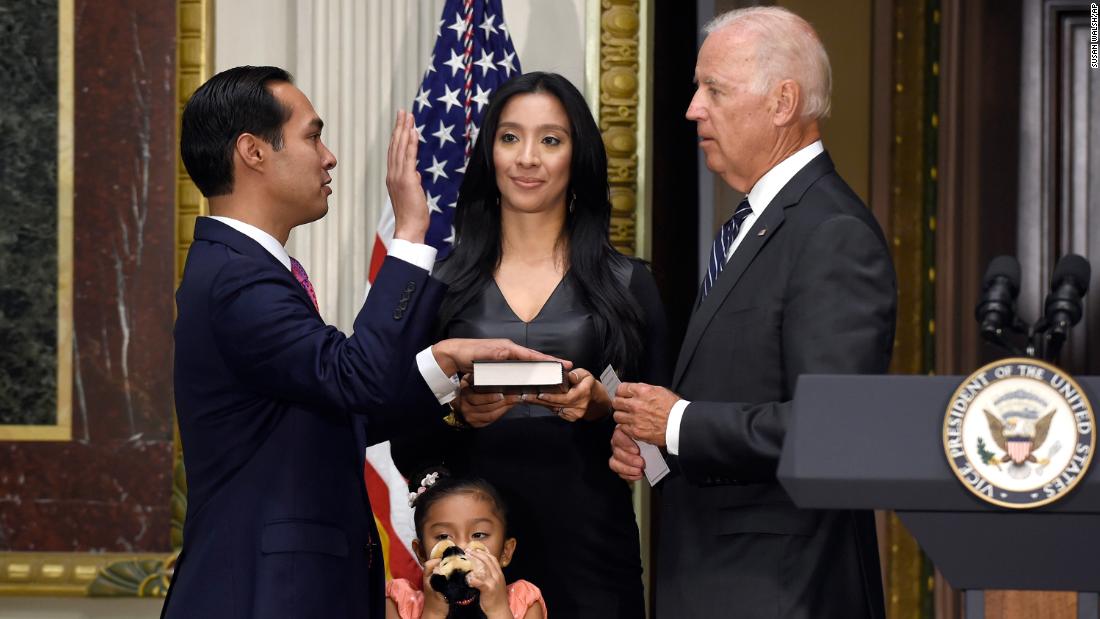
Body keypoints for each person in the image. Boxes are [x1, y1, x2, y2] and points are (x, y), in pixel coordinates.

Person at [164, 65, 555, 619]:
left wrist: (440, 368)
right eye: (311, 135)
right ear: (253, 151)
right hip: (266, 592)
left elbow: (331, 410)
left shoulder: (244, 269)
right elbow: (353, 378)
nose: (329, 156)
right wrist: (411, 234)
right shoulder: (238, 277)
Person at [609, 7, 896, 619]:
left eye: (713, 88)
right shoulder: (760, 217)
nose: (693, 108)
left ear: (782, 102)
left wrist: (679, 424)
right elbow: (737, 390)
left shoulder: (832, 233)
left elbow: (832, 429)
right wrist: (656, 443)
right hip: (723, 579)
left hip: (783, 590)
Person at [392, 72, 668, 618]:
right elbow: (402, 438)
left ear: (577, 157)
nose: (527, 158)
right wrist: (458, 416)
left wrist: (604, 408)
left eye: (550, 140)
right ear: (489, 153)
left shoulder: (629, 285)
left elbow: (666, 454)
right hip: (471, 564)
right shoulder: (440, 285)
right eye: (510, 137)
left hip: (594, 554)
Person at [386, 468, 547, 619]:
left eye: (478, 535)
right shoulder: (400, 601)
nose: (461, 547)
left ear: (506, 552)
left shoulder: (524, 601)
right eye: (443, 537)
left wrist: (498, 610)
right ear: (421, 553)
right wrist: (433, 613)